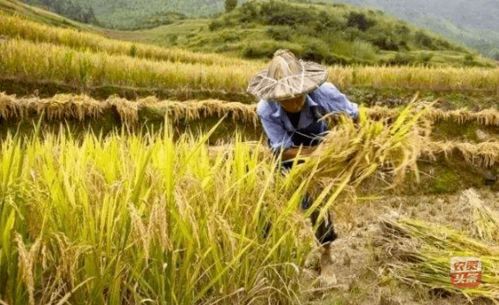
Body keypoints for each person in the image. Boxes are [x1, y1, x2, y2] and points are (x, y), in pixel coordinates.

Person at [247, 49, 359, 275]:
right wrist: (318, 153)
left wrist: (354, 145)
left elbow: (354, 114)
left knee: (315, 200)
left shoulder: (325, 93)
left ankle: (326, 252)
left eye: (299, 94)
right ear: (276, 96)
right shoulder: (265, 109)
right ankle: (265, 251)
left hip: (319, 140)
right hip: (288, 152)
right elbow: (281, 150)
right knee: (271, 198)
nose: (295, 101)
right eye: (287, 97)